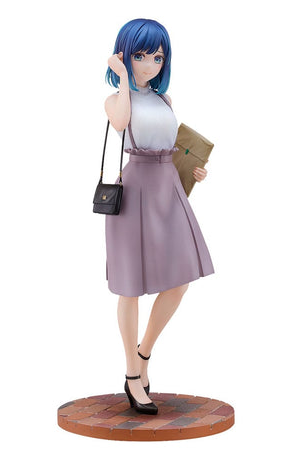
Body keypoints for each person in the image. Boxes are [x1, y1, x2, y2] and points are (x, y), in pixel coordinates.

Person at [104, 18, 215, 415]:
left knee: (181, 278)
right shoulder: (116, 99)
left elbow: (169, 145)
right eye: (140, 55)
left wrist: (192, 169)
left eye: (157, 56)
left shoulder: (165, 100)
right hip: (135, 191)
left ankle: (144, 353)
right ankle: (132, 374)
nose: (150, 64)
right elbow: (120, 122)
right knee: (130, 286)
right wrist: (122, 78)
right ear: (124, 55)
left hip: (169, 188)